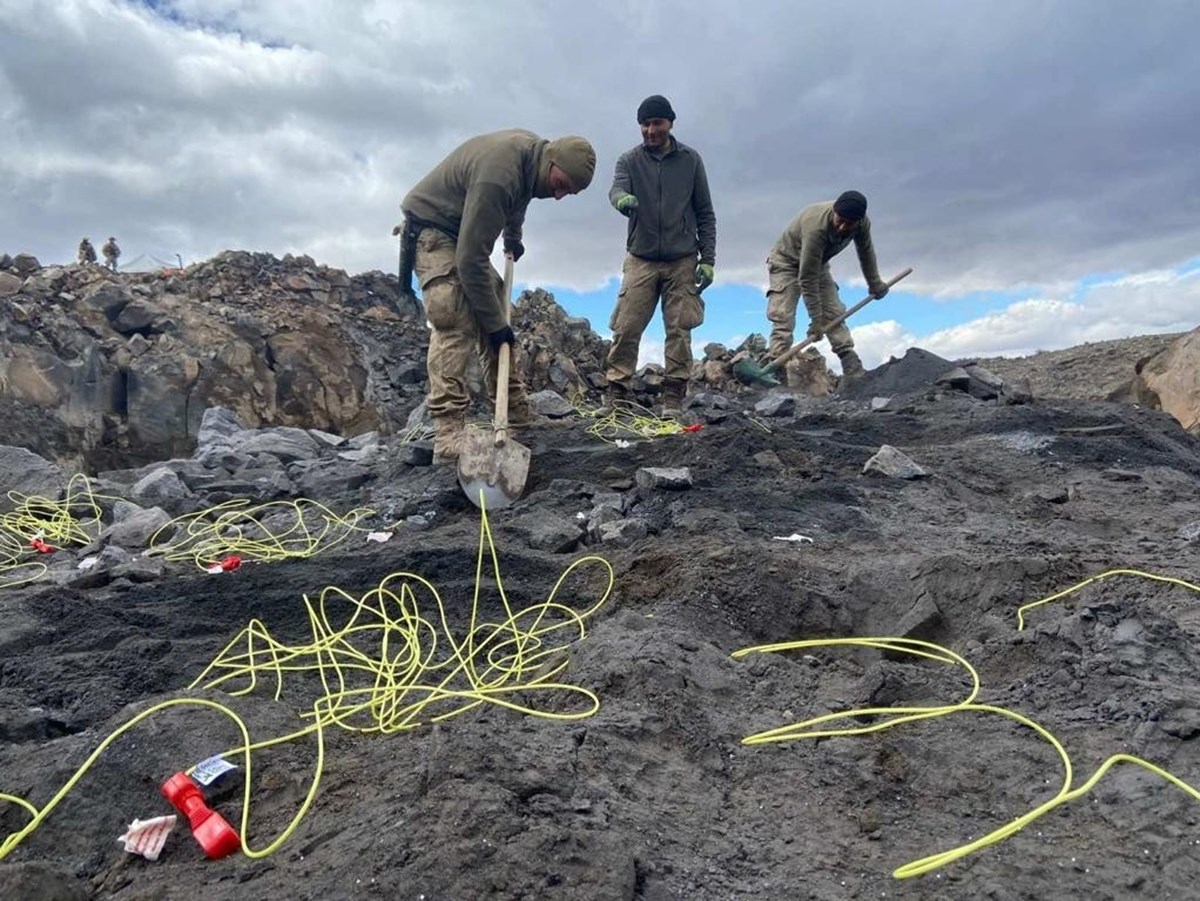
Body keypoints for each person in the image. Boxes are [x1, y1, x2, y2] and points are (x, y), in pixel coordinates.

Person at [399, 129, 596, 463]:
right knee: (455, 313)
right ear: (551, 162)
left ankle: (514, 414)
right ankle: (448, 433)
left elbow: (519, 198)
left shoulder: (531, 159)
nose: (561, 196)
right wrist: (494, 326)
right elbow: (469, 260)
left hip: (460, 232)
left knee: (497, 305)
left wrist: (513, 235)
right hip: (434, 231)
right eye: (562, 185)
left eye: (570, 193)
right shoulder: (499, 175)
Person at [606, 94, 716, 414]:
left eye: (657, 123)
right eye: (645, 124)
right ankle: (616, 391)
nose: (651, 130)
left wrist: (708, 260)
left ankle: (673, 395)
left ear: (670, 122)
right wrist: (622, 199)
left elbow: (705, 212)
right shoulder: (629, 160)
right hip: (641, 257)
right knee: (626, 325)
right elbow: (616, 189)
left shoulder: (691, 160)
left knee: (679, 328)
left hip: (682, 259)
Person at [764, 191, 888, 381]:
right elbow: (807, 278)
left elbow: (866, 251)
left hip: (818, 264)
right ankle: (775, 371)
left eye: (850, 223)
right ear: (834, 212)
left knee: (834, 311)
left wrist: (875, 283)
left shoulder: (862, 223)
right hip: (785, 264)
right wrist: (816, 321)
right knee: (783, 317)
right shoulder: (816, 227)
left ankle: (851, 366)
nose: (843, 227)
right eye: (840, 220)